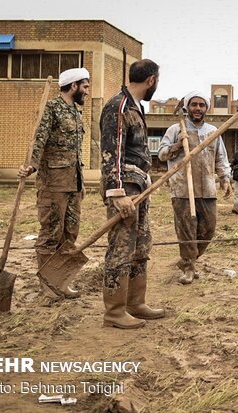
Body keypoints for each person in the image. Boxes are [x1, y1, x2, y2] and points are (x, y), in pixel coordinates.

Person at [99, 59, 165, 329]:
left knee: (140, 244)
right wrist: (116, 193)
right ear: (151, 80)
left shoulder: (136, 107)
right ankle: (114, 311)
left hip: (140, 185)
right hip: (124, 188)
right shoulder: (119, 106)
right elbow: (111, 152)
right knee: (121, 247)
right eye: (157, 81)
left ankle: (135, 303)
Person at [18, 67, 90, 299]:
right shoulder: (52, 108)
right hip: (53, 183)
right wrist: (31, 165)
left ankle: (61, 281)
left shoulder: (77, 112)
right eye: (85, 86)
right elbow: (39, 138)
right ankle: (47, 286)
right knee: (51, 233)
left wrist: (81, 182)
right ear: (73, 86)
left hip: (73, 183)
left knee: (70, 234)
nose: (87, 92)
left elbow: (76, 151)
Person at [159, 91, 232, 285]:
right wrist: (176, 145)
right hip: (182, 189)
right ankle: (190, 267)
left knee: (208, 230)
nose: (197, 108)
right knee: (186, 231)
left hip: (207, 189)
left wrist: (225, 179)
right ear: (187, 107)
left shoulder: (212, 131)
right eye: (194, 105)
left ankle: (187, 260)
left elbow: (221, 157)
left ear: (206, 108)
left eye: (201, 105)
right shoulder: (175, 129)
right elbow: (161, 154)